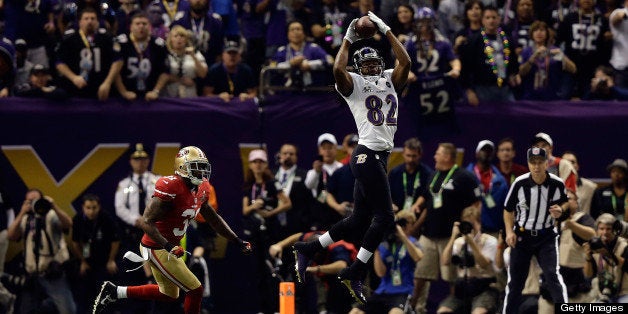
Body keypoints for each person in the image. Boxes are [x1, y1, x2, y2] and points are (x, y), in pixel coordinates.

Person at [293, 10, 411, 305]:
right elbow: (337, 71)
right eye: (366, 64)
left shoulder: (389, 78)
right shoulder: (353, 84)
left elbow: (405, 61)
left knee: (359, 219)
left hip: (379, 156)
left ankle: (308, 248)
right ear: (359, 67)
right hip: (367, 153)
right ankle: (356, 270)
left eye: (375, 63)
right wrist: (347, 39)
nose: (371, 68)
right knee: (385, 217)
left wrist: (386, 30)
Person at [93, 146, 252, 314]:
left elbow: (214, 219)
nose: (201, 172)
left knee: (169, 294)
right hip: (156, 246)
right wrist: (168, 246)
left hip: (167, 247)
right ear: (182, 168)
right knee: (195, 289)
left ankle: (115, 291)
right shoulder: (171, 186)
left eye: (203, 167)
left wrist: (236, 240)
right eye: (196, 167)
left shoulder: (203, 187)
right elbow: (146, 222)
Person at [412, 143, 481, 313]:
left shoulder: (465, 177)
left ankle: (454, 310)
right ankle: (413, 308)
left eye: (438, 153)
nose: (434, 156)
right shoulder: (433, 175)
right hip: (428, 235)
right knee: (419, 275)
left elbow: (476, 203)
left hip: (451, 237)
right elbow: (426, 197)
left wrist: (473, 226)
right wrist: (416, 209)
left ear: (447, 157)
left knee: (453, 279)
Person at [502, 147, 569, 313]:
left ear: (547, 163)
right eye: (533, 162)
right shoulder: (519, 183)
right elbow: (507, 209)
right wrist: (510, 232)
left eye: (540, 162)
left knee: (552, 275)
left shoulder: (557, 183)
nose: (536, 166)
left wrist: (561, 210)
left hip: (546, 235)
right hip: (522, 236)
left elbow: (565, 202)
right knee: (516, 282)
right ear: (528, 164)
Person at [7, 189, 76, 314]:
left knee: (69, 311)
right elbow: (11, 236)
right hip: (31, 275)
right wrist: (22, 212)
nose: (33, 203)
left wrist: (53, 205)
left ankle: (49, 304)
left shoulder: (51, 215)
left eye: (36, 200)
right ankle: (47, 304)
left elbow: (68, 224)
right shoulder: (25, 218)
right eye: (30, 201)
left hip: (52, 274)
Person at [350, 210, 423, 314]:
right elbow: (380, 273)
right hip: (383, 291)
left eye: (409, 224)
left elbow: (418, 257)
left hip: (402, 292)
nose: (406, 227)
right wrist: (376, 250)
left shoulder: (413, 242)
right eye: (403, 223)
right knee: (355, 311)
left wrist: (403, 237)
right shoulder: (386, 244)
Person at [537, 189, 596, 312]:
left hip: (575, 281)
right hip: (552, 279)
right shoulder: (549, 220)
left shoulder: (583, 218)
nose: (567, 202)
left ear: (576, 202)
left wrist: (570, 224)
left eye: (569, 199)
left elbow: (592, 234)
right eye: (564, 199)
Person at [438, 206, 498, 314]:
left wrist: (471, 242)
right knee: (443, 311)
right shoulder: (459, 242)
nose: (469, 228)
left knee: (478, 312)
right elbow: (445, 262)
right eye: (466, 224)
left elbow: (483, 264)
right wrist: (453, 237)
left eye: (472, 224)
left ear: (479, 224)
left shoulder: (490, 241)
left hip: (484, 288)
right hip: (462, 288)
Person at [55, 7, 122, 100]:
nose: (89, 21)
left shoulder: (106, 37)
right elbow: (59, 62)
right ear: (80, 22)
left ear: (98, 22)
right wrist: (74, 78)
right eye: (86, 19)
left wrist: (107, 82)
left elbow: (117, 60)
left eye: (93, 18)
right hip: (75, 88)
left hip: (100, 88)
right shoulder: (69, 38)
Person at [71, 193, 121, 314]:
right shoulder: (78, 219)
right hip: (87, 260)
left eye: (94, 208)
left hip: (104, 260)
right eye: (88, 208)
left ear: (99, 207)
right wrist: (82, 261)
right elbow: (75, 242)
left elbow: (115, 241)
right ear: (83, 207)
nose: (91, 211)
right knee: (84, 295)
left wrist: (111, 260)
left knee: (104, 294)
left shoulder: (106, 218)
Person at [460, 5, 519, 105]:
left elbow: (513, 62)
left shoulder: (506, 39)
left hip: (504, 88)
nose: (491, 21)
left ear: (499, 19)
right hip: (482, 88)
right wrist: (469, 91)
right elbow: (465, 68)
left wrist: (514, 75)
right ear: (482, 20)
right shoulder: (474, 40)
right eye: (487, 18)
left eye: (494, 17)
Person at [115, 12, 170, 101]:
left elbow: (165, 71)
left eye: (144, 24)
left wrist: (156, 91)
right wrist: (124, 92)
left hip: (150, 96)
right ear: (131, 27)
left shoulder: (158, 45)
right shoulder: (121, 43)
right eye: (137, 24)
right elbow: (114, 71)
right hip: (123, 97)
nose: (141, 26)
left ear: (149, 26)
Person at [518, 20, 577, 100]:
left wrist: (563, 57)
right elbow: (521, 72)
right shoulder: (527, 51)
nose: (539, 33)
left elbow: (573, 69)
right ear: (532, 34)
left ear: (547, 34)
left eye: (542, 30)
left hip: (551, 96)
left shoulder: (554, 51)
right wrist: (533, 58)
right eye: (535, 30)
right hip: (530, 96)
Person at [270, 20, 334, 88]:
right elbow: (272, 67)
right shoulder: (281, 51)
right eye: (292, 30)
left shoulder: (314, 48)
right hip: (286, 92)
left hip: (313, 91)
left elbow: (330, 61)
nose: (295, 32)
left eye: (298, 29)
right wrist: (290, 64)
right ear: (287, 34)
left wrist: (310, 65)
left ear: (304, 33)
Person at [466, 140, 509, 236]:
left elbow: (506, 207)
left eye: (489, 151)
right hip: (470, 230)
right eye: (483, 150)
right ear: (477, 153)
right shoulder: (466, 177)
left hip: (493, 231)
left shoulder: (500, 181)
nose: (486, 153)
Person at [583, 213, 628, 303]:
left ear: (615, 230)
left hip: (624, 292)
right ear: (597, 231)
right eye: (601, 229)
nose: (605, 232)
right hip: (603, 293)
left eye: (608, 229)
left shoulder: (624, 245)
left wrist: (608, 254)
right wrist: (588, 257)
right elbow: (588, 275)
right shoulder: (594, 245)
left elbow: (626, 266)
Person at [305, 133, 344, 230]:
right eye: (324, 148)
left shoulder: (342, 168)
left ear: (336, 149)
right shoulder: (313, 171)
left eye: (330, 148)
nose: (327, 151)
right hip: (320, 219)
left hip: (340, 216)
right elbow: (308, 185)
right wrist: (316, 172)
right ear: (319, 150)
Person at [388, 137, 433, 216]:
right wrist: (390, 204)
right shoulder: (394, 173)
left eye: (414, 156)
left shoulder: (428, 174)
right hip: (396, 217)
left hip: (418, 217)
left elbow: (428, 198)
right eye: (408, 155)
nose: (411, 159)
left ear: (420, 155)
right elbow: (386, 193)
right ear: (403, 154)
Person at [165, 25, 208, 98]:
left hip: (190, 96)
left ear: (186, 39)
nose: (179, 38)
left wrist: (193, 56)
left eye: (182, 36)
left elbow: (203, 74)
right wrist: (179, 80)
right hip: (169, 97)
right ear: (171, 39)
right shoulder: (165, 55)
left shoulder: (196, 54)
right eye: (176, 36)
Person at [609, 0, 628, 89]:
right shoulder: (619, 12)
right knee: (621, 100)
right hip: (621, 65)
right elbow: (616, 19)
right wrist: (622, 16)